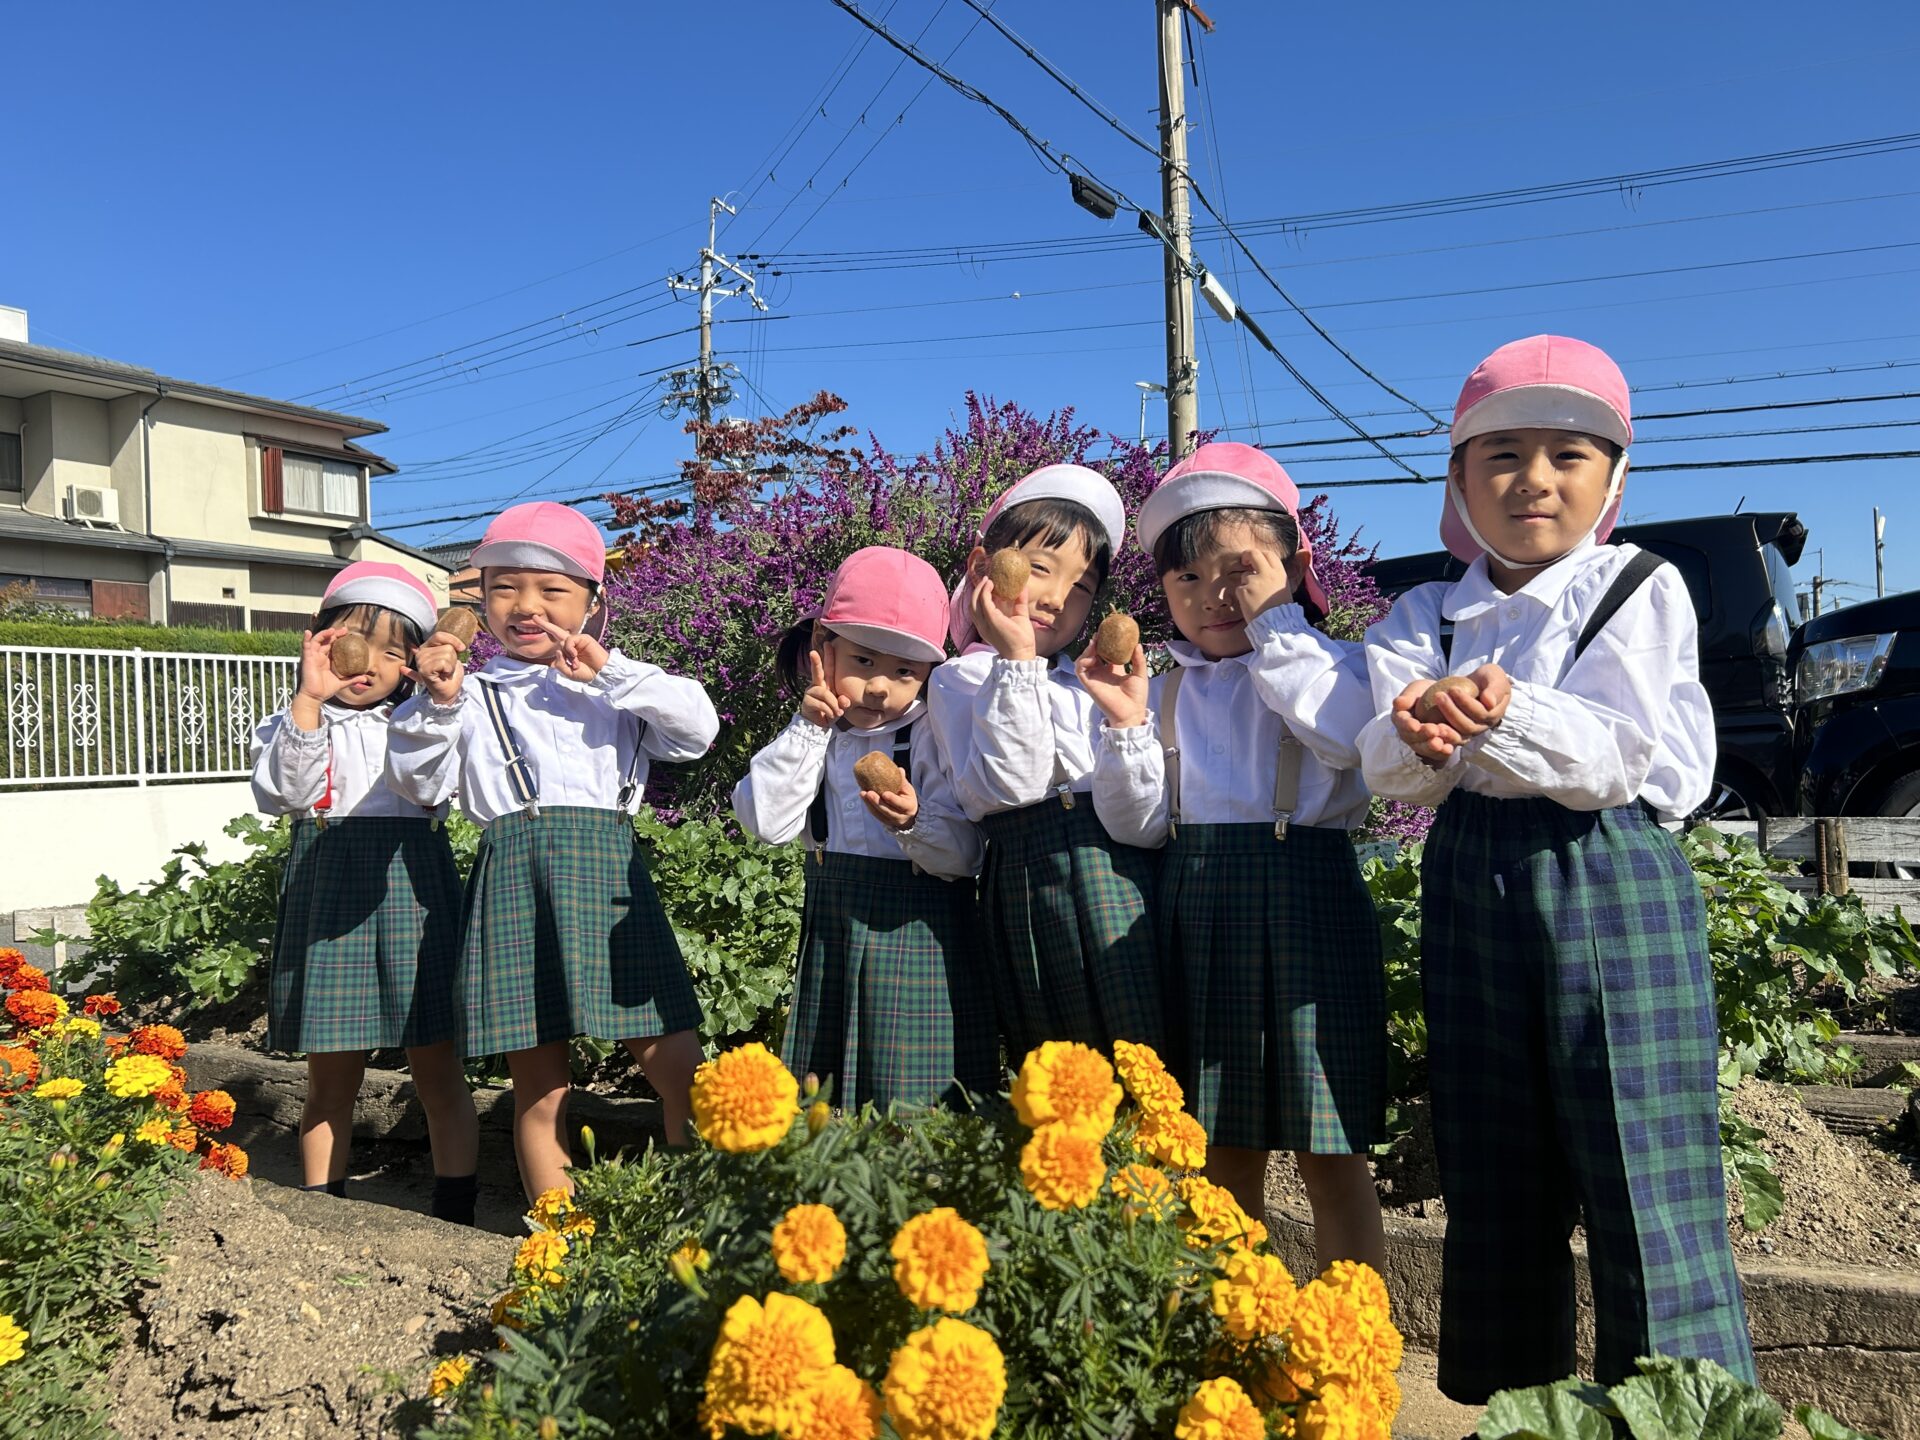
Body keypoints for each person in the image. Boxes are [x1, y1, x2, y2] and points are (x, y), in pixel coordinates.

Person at [1358, 334, 1754, 1400]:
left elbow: (1615, 757)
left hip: (1609, 866)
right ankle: (1514, 1405)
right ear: (1458, 481)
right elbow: (1387, 764)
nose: (1534, 478)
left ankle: (1679, 1409)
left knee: (1643, 1160)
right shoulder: (1423, 614)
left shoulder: (1636, 585)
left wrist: (1500, 710)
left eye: (1569, 454)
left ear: (1613, 479)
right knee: (1492, 1155)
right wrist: (1419, 734)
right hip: (1468, 874)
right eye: (1502, 454)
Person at [1083, 442, 1386, 1273]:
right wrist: (1125, 725)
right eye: (1186, 578)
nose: (1213, 595)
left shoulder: (1337, 667)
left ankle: (1356, 1329)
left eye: (1239, 571)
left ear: (1296, 567)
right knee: (1220, 1149)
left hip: (1310, 908)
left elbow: (1346, 739)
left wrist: (1277, 626)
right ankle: (1229, 1322)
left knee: (1333, 1152)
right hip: (1199, 911)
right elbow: (1141, 826)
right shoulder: (1167, 688)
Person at [387, 502, 718, 1199]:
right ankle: (559, 1244)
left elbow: (696, 732)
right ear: (482, 601)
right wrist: (439, 703)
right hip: (515, 882)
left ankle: (693, 1222)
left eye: (552, 589)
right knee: (541, 1094)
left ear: (593, 602)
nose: (526, 606)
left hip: (613, 884)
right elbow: (420, 785)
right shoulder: (468, 695)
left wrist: (611, 671)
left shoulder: (619, 687)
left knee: (683, 1073)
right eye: (505, 588)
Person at [250, 562, 479, 1224]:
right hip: (328, 891)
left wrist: (437, 702)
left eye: (391, 650)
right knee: (330, 1079)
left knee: (437, 1070)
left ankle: (456, 1215)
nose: (368, 664)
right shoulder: (296, 720)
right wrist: (309, 699)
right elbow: (286, 794)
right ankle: (324, 1213)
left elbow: (429, 787)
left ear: (414, 660)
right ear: (322, 640)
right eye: (353, 643)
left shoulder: (422, 721)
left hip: (415, 888)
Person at [732, 546, 995, 1109]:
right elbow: (769, 823)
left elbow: (969, 855)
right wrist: (808, 729)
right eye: (864, 660)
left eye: (904, 671)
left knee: (918, 1105)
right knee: (826, 1103)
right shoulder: (811, 736)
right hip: (835, 928)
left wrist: (916, 822)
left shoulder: (931, 735)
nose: (880, 687)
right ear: (822, 647)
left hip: (923, 933)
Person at [926, 463, 1163, 1064]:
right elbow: (1013, 785)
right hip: (1030, 886)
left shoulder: (1097, 687)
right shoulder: (961, 680)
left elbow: (1143, 824)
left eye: (1081, 587)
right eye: (1038, 569)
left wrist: (1126, 722)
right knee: (1062, 1064)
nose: (1057, 598)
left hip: (1123, 882)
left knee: (1149, 1054)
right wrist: (1017, 660)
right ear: (982, 568)